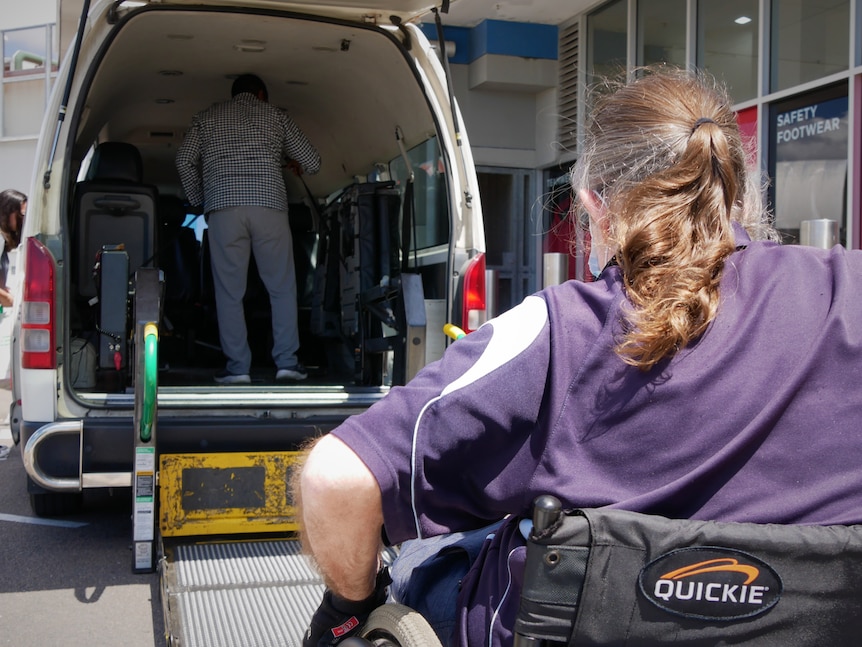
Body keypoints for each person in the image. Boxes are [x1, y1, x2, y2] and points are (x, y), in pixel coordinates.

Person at [295, 66, 862, 647]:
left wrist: (348, 605)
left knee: (422, 557)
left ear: (595, 203)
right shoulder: (849, 291)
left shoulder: (561, 327)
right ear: (733, 193)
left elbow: (336, 479)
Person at [176, 73, 321, 384]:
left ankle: (238, 369)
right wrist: (285, 159)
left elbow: (184, 161)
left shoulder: (207, 117)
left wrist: (201, 200)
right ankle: (287, 364)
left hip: (224, 209)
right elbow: (313, 162)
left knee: (229, 293)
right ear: (261, 94)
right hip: (269, 205)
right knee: (281, 288)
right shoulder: (276, 116)